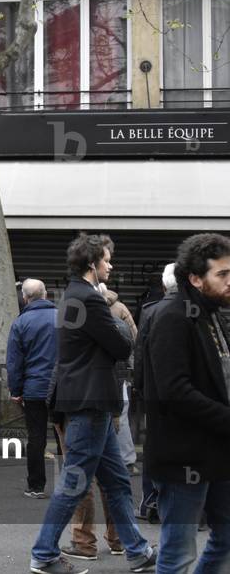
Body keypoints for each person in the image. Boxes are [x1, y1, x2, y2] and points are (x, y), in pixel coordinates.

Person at [29, 233, 155, 574]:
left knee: (116, 481)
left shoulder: (70, 295)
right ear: (91, 264)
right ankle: (43, 554)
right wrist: (112, 313)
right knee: (74, 484)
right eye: (106, 260)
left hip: (85, 401)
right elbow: (123, 345)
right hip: (90, 402)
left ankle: (138, 551)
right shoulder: (89, 299)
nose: (111, 264)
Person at [144, 234, 230, 573]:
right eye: (222, 275)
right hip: (183, 457)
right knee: (178, 553)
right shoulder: (173, 317)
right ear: (195, 278)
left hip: (218, 452)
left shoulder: (209, 314)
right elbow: (174, 390)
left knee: (226, 538)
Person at [6, 279, 58, 499]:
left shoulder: (21, 323)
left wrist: (16, 390)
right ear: (45, 294)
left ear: (25, 298)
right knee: (65, 436)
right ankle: (70, 485)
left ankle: (36, 486)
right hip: (61, 386)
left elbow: (15, 362)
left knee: (36, 437)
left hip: (34, 387)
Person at [133, 262, 177, 523]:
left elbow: (140, 353)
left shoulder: (150, 311)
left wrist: (140, 385)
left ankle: (151, 499)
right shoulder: (196, 310)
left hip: (155, 392)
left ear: (162, 285)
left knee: (155, 444)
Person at [99, 283, 139, 475]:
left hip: (95, 371)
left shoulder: (85, 310)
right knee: (121, 414)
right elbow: (134, 337)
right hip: (119, 370)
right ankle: (127, 459)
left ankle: (102, 458)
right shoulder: (120, 308)